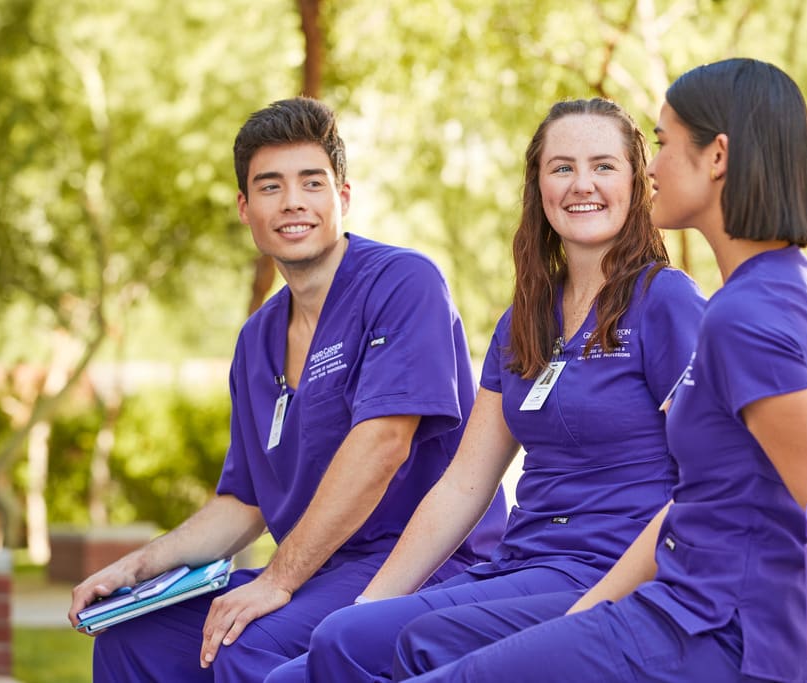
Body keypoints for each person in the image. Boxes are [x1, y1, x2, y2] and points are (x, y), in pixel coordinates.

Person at [387, 58, 807, 683]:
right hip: (671, 610)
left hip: (717, 631)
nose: (651, 168)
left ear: (717, 156)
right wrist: (583, 618)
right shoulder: (775, 290)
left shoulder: (742, 316)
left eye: (661, 144)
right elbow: (699, 500)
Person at [263, 97, 706, 683]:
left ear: (635, 181)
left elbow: (710, 478)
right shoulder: (522, 320)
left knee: (348, 643)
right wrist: (374, 603)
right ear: (539, 186)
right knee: (296, 670)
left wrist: (359, 624)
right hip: (518, 566)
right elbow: (465, 485)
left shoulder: (666, 302)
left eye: (603, 166)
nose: (582, 185)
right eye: (562, 167)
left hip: (607, 576)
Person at [66, 97, 507, 683]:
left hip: (423, 563)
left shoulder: (404, 283)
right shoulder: (256, 340)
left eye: (311, 182)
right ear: (245, 210)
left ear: (343, 197)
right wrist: (137, 569)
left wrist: (277, 580)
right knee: (132, 638)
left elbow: (383, 445)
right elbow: (243, 503)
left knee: (246, 644)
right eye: (270, 187)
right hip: (318, 570)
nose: (293, 201)